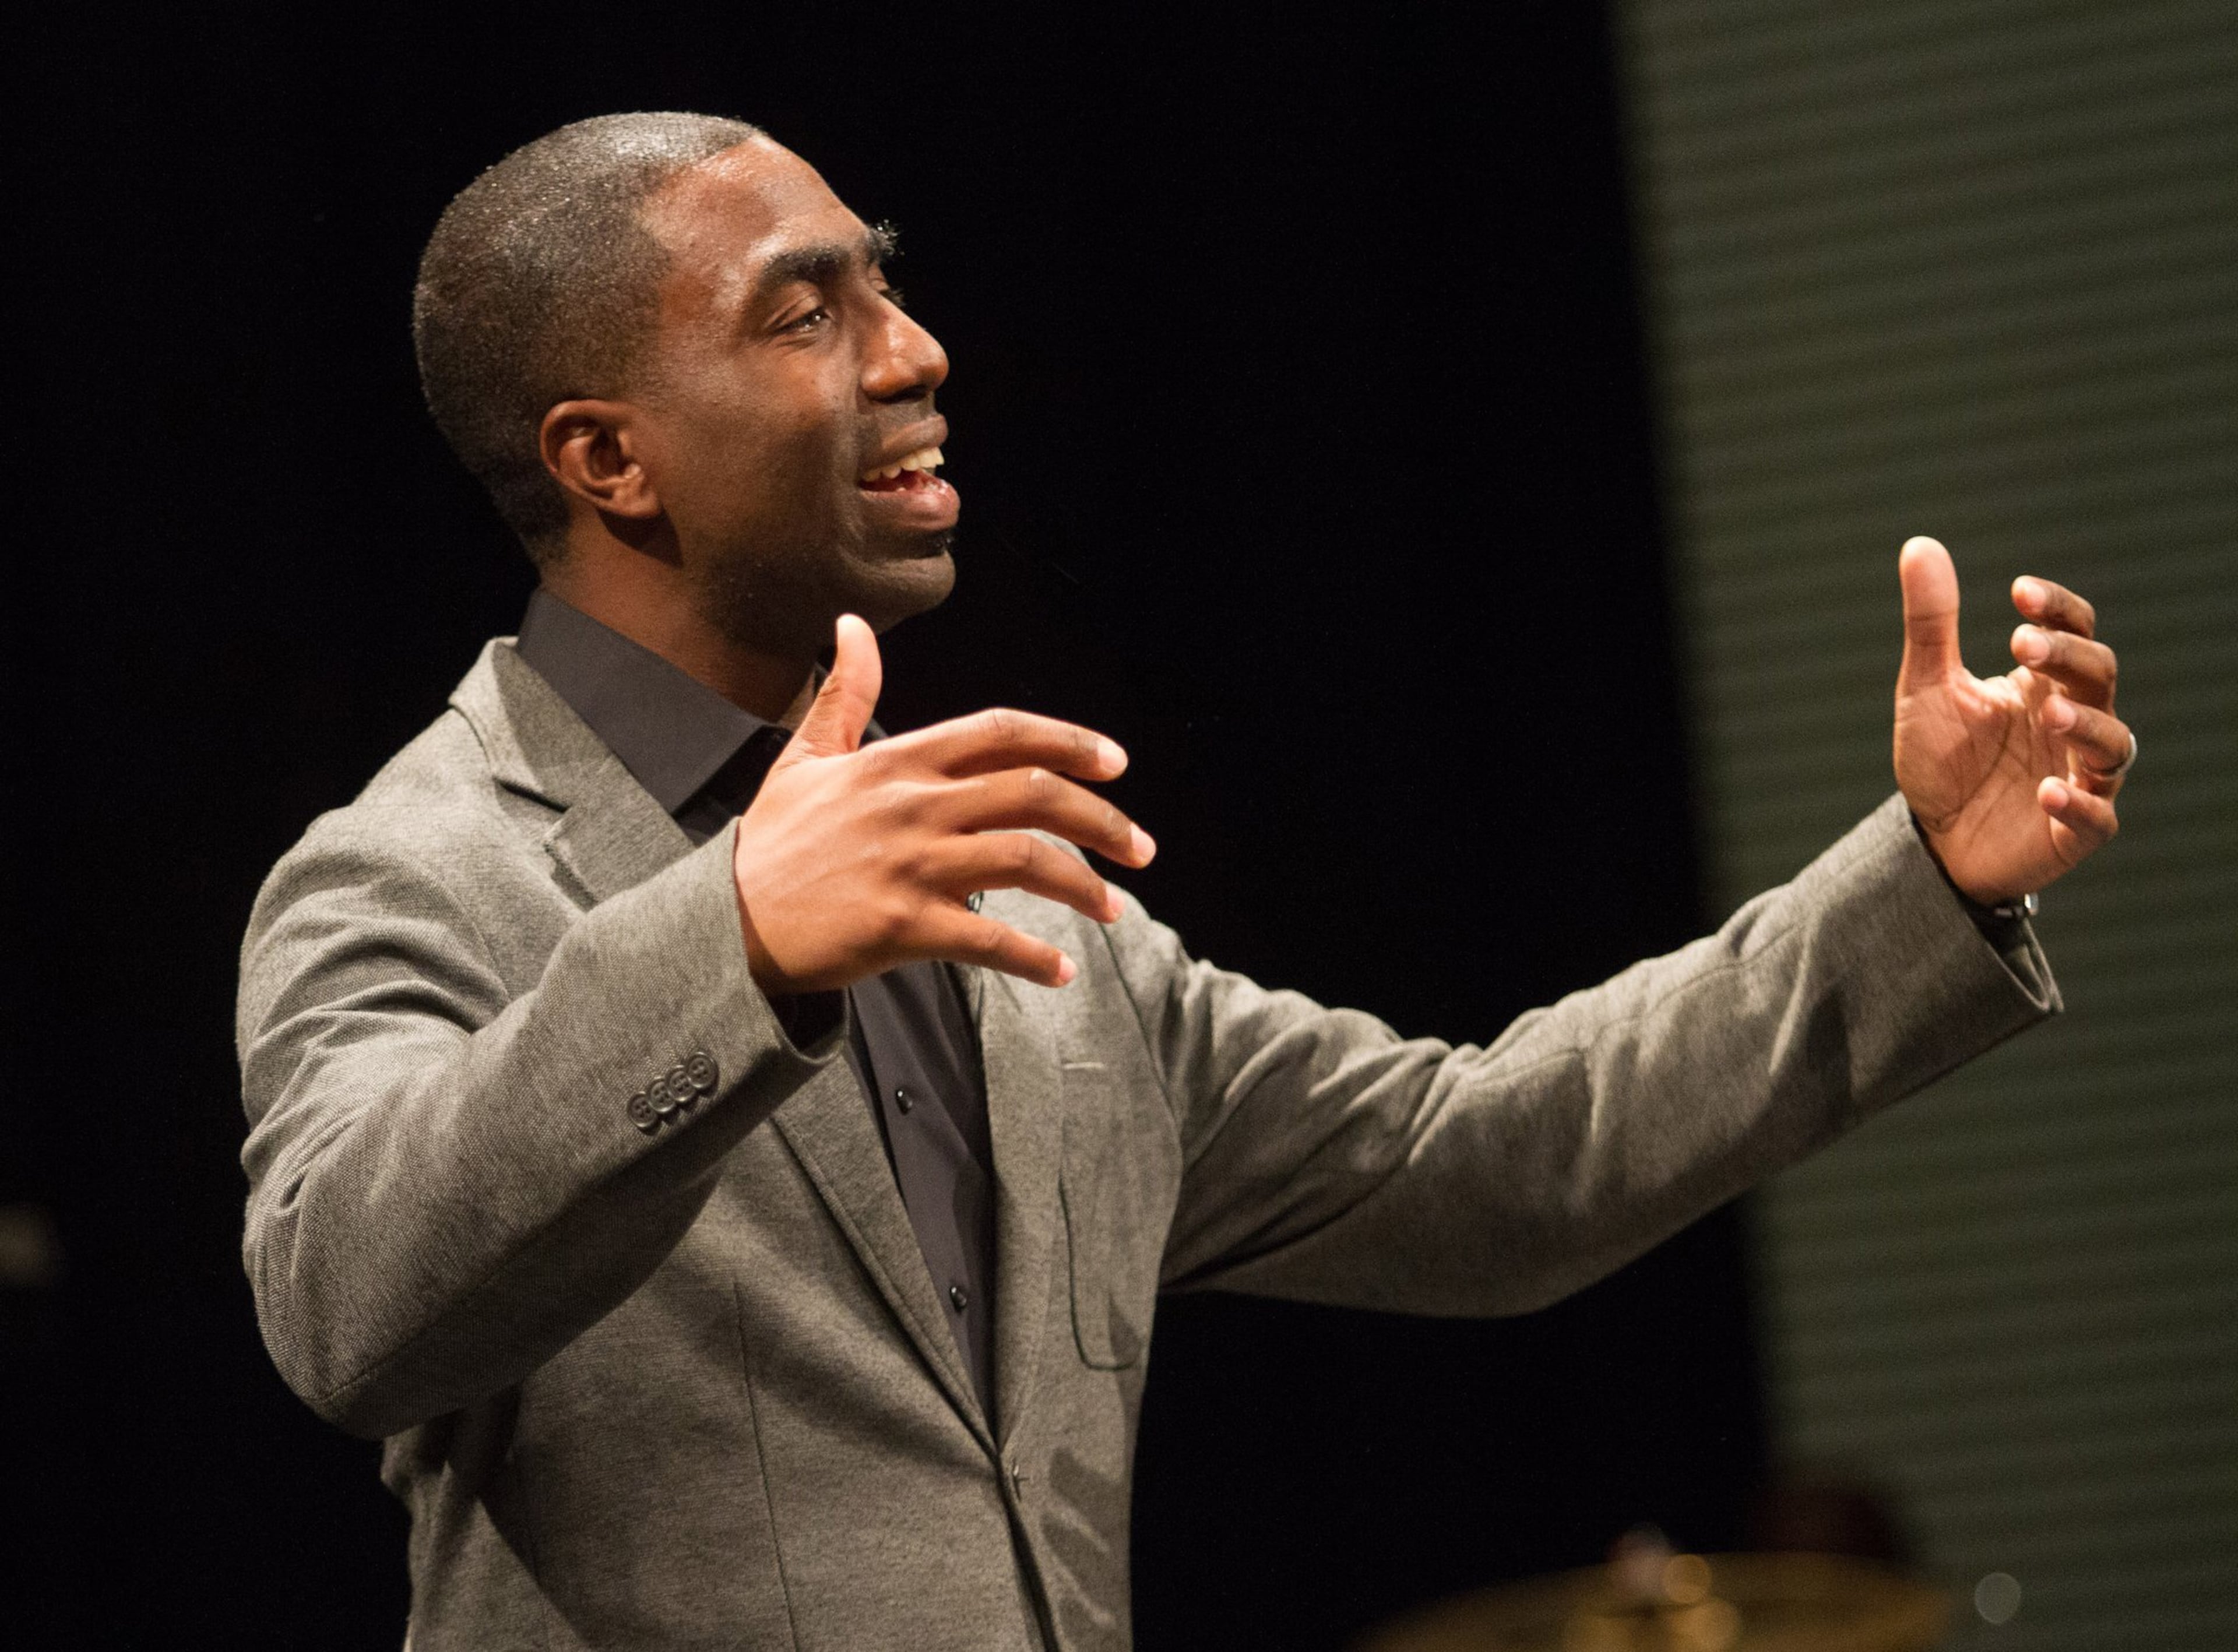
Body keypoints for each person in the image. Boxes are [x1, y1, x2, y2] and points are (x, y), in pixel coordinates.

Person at [235, 112, 2133, 1652]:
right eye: (805, 314)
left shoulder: (1002, 892)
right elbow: (349, 1302)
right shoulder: (423, 871)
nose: (914, 350)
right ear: (605, 456)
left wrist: (1926, 884)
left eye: (884, 281)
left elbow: (1487, 1166)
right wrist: (730, 941)